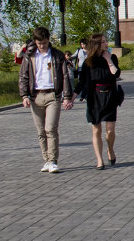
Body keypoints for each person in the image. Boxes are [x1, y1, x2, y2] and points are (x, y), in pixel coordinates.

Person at [18, 26, 74, 173]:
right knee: (41, 131)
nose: (41, 46)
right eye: (39, 43)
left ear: (48, 40)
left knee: (51, 128)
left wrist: (67, 97)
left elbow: (65, 76)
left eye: (44, 42)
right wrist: (24, 95)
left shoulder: (57, 55)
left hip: (52, 96)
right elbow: (23, 76)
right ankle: (46, 160)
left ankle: (53, 160)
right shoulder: (29, 56)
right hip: (35, 96)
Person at [74, 33, 121, 170]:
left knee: (110, 131)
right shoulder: (88, 62)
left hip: (110, 96)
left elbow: (116, 74)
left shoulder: (112, 58)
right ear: (96, 45)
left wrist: (108, 60)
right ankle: (99, 160)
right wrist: (71, 97)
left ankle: (110, 150)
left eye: (106, 41)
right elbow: (82, 81)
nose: (106, 44)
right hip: (94, 98)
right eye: (103, 42)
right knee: (96, 130)